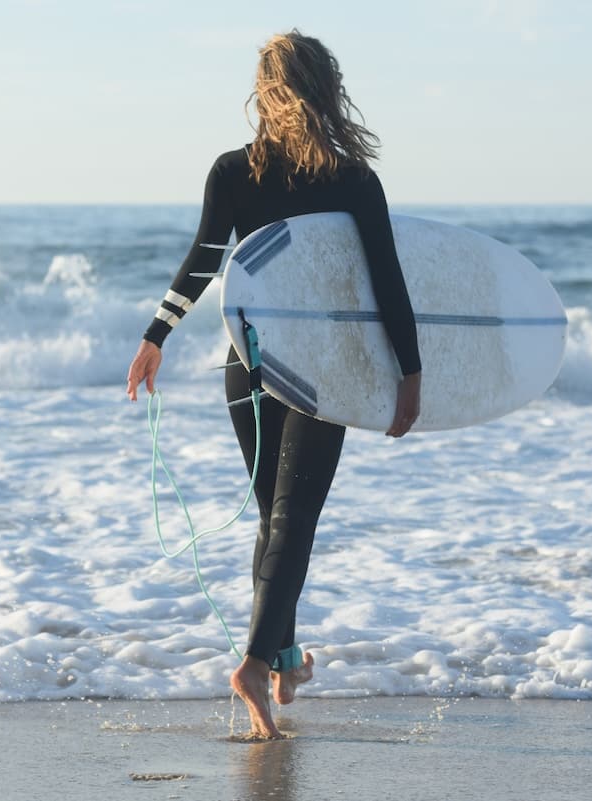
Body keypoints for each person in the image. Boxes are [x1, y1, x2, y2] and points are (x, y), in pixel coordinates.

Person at [126, 30, 422, 739]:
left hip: (249, 365)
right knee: (294, 519)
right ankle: (257, 663)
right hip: (320, 370)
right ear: (327, 88)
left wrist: (156, 334)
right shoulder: (353, 180)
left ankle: (285, 659)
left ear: (265, 91)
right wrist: (410, 373)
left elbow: (205, 262)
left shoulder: (234, 170)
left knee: (276, 518)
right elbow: (386, 281)